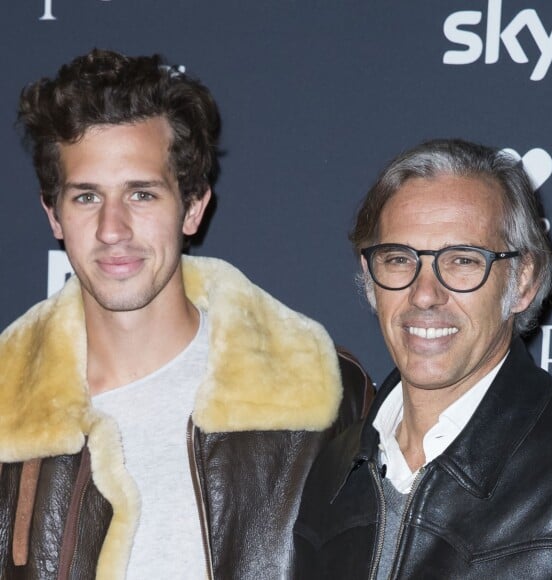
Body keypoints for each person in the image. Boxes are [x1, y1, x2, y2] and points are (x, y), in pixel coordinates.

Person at [0, 49, 372, 579]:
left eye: (142, 194)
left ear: (194, 206)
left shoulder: (324, 397)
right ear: (53, 214)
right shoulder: (6, 406)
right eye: (86, 197)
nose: (112, 229)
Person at [294, 138, 552, 578]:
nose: (425, 294)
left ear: (522, 282)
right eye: (399, 259)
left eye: (463, 261)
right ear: (370, 278)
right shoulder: (333, 471)